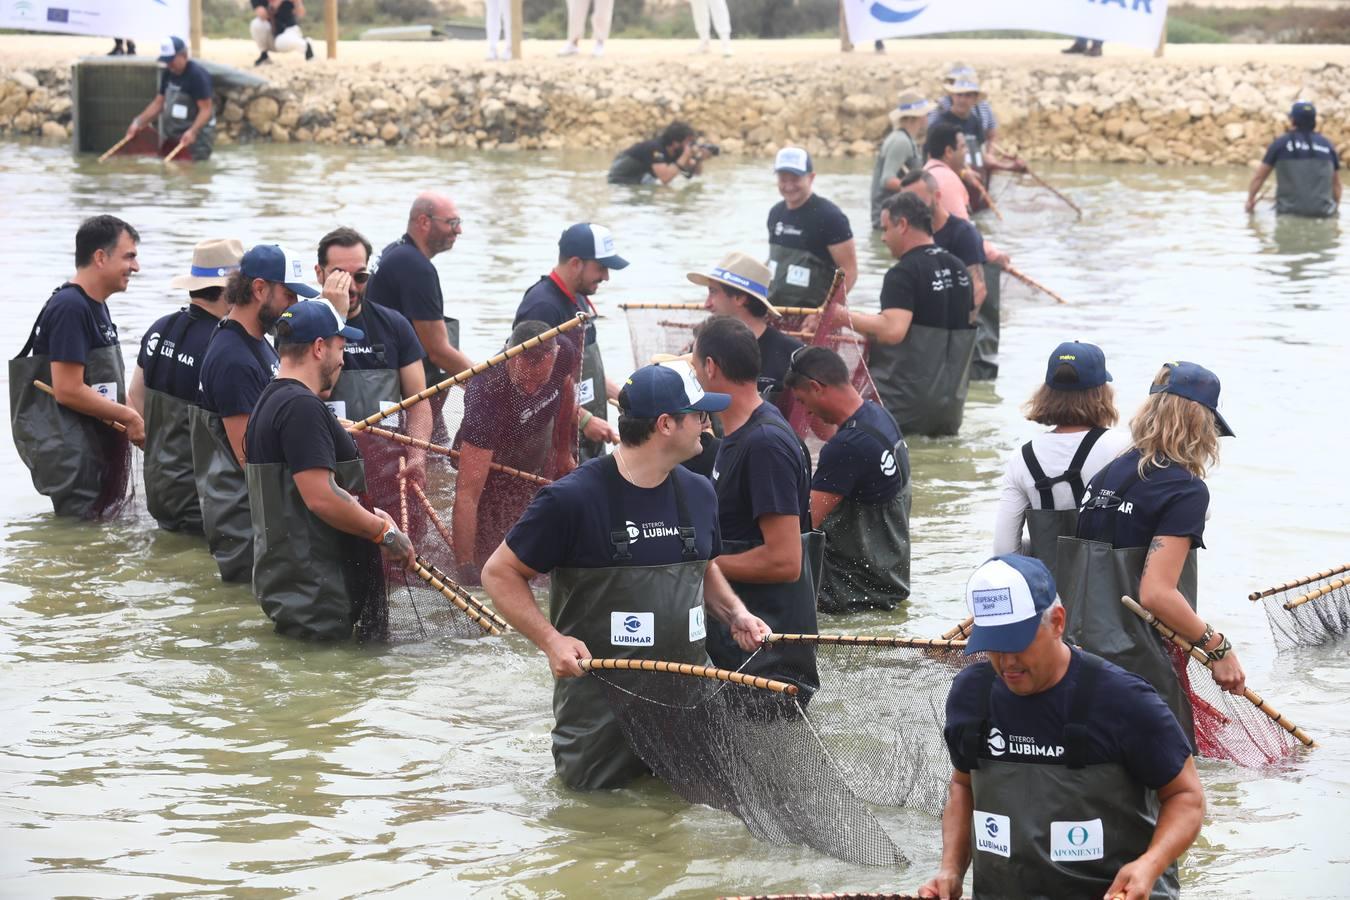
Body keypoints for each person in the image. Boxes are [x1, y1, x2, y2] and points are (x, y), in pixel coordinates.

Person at [481, 362, 771, 790]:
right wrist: (551, 641)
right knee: (601, 835)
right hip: (600, 720)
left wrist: (735, 614)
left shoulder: (699, 492)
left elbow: (703, 566)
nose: (706, 424)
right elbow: (499, 572)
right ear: (666, 424)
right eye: (697, 415)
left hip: (690, 708)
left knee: (683, 833)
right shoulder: (571, 499)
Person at [918, 554, 1203, 900]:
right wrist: (950, 870)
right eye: (993, 645)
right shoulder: (971, 694)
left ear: (1057, 622)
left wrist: (1149, 865)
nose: (1007, 661)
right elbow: (963, 785)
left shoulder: (1124, 700)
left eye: (1018, 643)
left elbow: (1186, 797)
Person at [1061, 362, 1246, 750]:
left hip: (1078, 657)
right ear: (1200, 423)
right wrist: (1219, 649)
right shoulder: (1184, 489)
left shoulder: (1107, 475)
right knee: (1172, 791)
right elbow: (1157, 594)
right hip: (1140, 668)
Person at [245, 300, 416, 641]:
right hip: (319, 596)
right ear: (319, 347)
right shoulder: (301, 408)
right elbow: (321, 497)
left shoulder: (271, 399)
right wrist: (384, 534)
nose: (343, 359)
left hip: (297, 589)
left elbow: (298, 493)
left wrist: (370, 513)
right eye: (341, 348)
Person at [691, 316, 819, 691]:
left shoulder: (765, 444)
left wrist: (701, 571)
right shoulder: (737, 432)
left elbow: (786, 560)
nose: (696, 376)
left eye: (696, 366)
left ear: (711, 368)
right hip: (738, 638)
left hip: (767, 654)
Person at [193, 244, 316, 583]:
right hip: (246, 525)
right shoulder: (234, 359)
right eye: (289, 296)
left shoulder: (256, 340)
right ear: (260, 289)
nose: (293, 308)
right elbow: (251, 458)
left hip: (259, 516)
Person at [10, 215, 145, 518]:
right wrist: (129, 418)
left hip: (93, 448)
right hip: (74, 456)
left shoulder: (95, 304)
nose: (136, 267)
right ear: (100, 257)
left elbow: (102, 383)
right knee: (81, 539)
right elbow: (68, 390)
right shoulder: (70, 307)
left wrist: (134, 415)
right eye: (129, 256)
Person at [128, 238, 243, 534]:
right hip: (207, 500)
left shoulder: (159, 328)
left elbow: (135, 399)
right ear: (232, 290)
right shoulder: (225, 345)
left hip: (161, 492)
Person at [784, 346, 910, 614]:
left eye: (803, 402)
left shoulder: (847, 447)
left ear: (816, 387)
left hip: (849, 595)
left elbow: (801, 526)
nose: (806, 413)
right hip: (886, 584)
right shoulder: (878, 416)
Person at [451, 320, 578, 583]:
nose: (530, 391)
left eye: (539, 382)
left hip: (537, 435)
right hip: (491, 453)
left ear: (554, 357)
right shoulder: (486, 388)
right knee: (489, 550)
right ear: (511, 358)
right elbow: (467, 495)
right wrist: (466, 569)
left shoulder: (564, 349)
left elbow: (566, 391)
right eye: (523, 383)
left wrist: (563, 451)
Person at [992, 342, 1131, 574]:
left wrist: (1042, 546)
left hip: (1052, 601)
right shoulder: (1125, 448)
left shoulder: (1022, 458)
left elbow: (1004, 553)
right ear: (1102, 393)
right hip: (1112, 596)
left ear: (1046, 394)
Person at [849, 192, 976, 438]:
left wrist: (842, 316)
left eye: (886, 229)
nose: (884, 238)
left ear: (903, 224)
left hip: (903, 410)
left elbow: (893, 330)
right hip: (950, 410)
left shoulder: (903, 273)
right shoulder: (960, 270)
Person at [365, 193, 473, 443]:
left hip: (388, 384)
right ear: (424, 222)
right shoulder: (416, 268)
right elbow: (438, 351)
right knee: (431, 462)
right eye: (452, 222)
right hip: (408, 394)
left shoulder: (396, 251)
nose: (459, 230)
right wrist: (487, 384)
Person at [514, 222, 626, 462]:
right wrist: (585, 420)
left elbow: (587, 370)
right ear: (576, 263)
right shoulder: (542, 306)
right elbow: (530, 384)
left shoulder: (579, 299)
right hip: (549, 444)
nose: (606, 277)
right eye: (602, 268)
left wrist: (624, 395)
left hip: (583, 435)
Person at [900, 169, 1000, 380]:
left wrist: (954, 335)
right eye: (906, 202)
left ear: (937, 196)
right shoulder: (908, 234)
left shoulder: (963, 233)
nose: (912, 209)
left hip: (955, 329)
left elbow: (979, 290)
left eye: (917, 200)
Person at [689, 251, 801, 402]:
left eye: (713, 292)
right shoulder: (702, 347)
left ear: (740, 298)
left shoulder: (793, 356)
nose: (706, 304)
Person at [767, 147, 857, 309]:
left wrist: (823, 312)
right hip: (775, 309)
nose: (788, 186)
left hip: (812, 313)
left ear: (811, 177)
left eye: (795, 179)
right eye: (783, 179)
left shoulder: (831, 217)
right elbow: (774, 260)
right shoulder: (775, 213)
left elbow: (849, 272)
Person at [125, 37, 215, 162]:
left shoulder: (197, 76)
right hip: (173, 136)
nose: (169, 64)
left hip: (194, 140)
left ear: (184, 55)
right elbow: (158, 103)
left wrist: (193, 131)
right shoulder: (168, 73)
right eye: (166, 61)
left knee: (192, 176)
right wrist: (138, 123)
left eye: (171, 60)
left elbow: (206, 110)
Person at [1245, 101, 1341, 218]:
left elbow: (1259, 177)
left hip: (1288, 214)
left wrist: (1250, 201)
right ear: (1314, 122)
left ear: (1292, 120)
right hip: (1323, 214)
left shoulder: (1280, 144)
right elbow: (1336, 184)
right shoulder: (1327, 145)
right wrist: (1336, 207)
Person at [870, 92, 932, 231]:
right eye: (925, 114)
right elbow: (887, 180)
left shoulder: (906, 139)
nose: (928, 118)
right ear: (916, 117)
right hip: (891, 220)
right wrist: (919, 190)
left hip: (897, 220)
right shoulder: (901, 141)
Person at [608, 121, 709, 186]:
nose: (691, 145)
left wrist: (698, 158)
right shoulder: (655, 148)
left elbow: (695, 174)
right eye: (688, 142)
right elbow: (665, 178)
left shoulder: (677, 151)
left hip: (640, 180)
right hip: (620, 180)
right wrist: (685, 156)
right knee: (663, 193)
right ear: (675, 143)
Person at [924, 124, 973, 223]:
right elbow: (963, 231)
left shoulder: (925, 172)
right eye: (963, 146)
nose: (967, 150)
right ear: (949, 151)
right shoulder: (947, 179)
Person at [250, 0, 315, 66]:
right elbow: (262, 14)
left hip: (289, 30)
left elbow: (301, 13)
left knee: (280, 42)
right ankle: (264, 56)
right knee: (257, 23)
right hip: (272, 33)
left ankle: (306, 45)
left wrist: (297, 2)